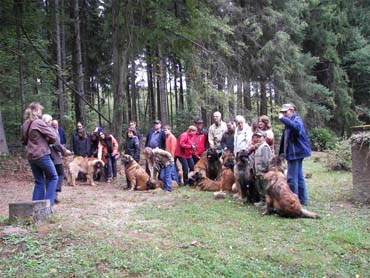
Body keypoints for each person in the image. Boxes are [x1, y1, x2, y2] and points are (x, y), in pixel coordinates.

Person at [20, 102, 58, 207]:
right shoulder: (38, 122)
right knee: (54, 177)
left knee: (39, 181)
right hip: (42, 154)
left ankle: (35, 208)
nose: (41, 113)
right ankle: (48, 205)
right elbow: (53, 136)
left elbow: (23, 141)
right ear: (35, 111)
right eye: (40, 110)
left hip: (31, 156)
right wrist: (48, 140)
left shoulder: (25, 124)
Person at [279, 103, 311, 205]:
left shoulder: (296, 120)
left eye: (285, 112)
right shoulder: (289, 122)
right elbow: (285, 139)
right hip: (293, 153)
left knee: (292, 178)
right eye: (282, 112)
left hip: (296, 153)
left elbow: (296, 129)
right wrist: (281, 152)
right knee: (299, 176)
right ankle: (303, 200)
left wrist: (283, 119)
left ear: (292, 111)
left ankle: (293, 201)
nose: (284, 114)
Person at [43, 114, 72, 203]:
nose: (51, 123)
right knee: (60, 174)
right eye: (50, 121)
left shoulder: (41, 130)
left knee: (49, 176)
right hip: (54, 157)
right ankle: (54, 193)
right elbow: (56, 144)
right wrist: (65, 151)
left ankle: (50, 196)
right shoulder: (50, 130)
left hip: (45, 156)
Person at [252, 130, 273, 206]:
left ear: (264, 137)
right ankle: (262, 201)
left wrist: (264, 171)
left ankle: (267, 203)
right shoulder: (258, 146)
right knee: (260, 186)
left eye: (260, 137)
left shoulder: (264, 147)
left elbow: (266, 160)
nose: (258, 138)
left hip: (263, 171)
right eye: (257, 137)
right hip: (258, 171)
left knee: (265, 187)